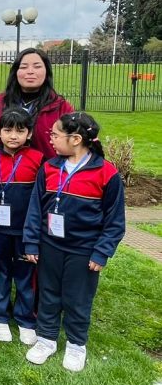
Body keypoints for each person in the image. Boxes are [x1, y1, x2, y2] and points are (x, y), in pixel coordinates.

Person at [0, 48, 75, 311]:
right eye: (24, 66)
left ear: (46, 71)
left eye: (37, 66)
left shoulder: (60, 107)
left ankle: (33, 306)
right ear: (15, 72)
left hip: (40, 192)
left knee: (35, 250)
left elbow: (73, 143)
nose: (30, 71)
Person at [23, 112, 125, 371]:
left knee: (77, 299)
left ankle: (76, 345)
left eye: (55, 135)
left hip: (83, 251)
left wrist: (101, 252)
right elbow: (35, 208)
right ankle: (46, 339)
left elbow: (115, 222)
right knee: (48, 294)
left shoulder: (106, 174)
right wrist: (32, 243)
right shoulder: (49, 168)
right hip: (51, 246)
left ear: (76, 139)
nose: (51, 140)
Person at [0, 108, 43, 345]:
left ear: (29, 134)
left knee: (26, 275)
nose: (13, 136)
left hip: (26, 232)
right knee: (0, 273)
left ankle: (25, 319)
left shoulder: (38, 160)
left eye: (20, 131)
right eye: (7, 130)